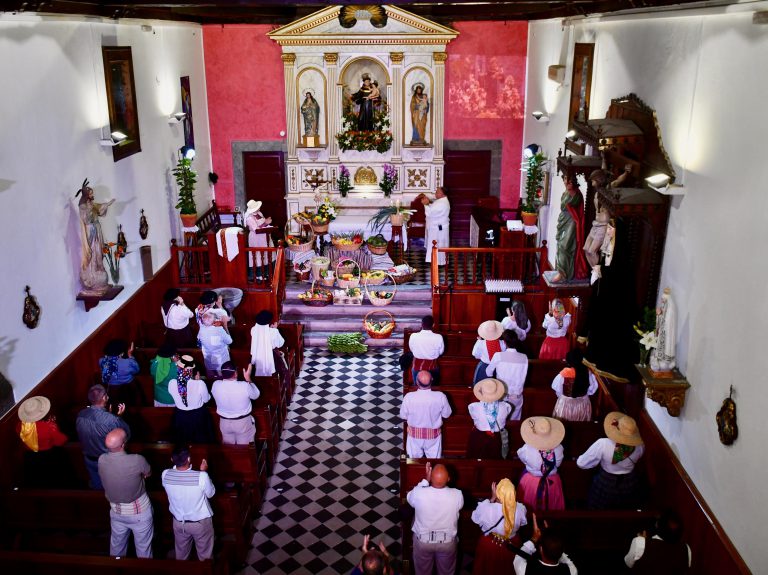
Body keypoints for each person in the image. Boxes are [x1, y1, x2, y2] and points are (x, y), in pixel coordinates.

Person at [98, 428, 153, 558]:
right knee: (143, 549)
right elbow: (148, 473)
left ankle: (116, 568)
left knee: (117, 549)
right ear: (123, 445)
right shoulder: (137, 459)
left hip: (116, 512)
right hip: (139, 513)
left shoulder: (101, 459)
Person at [577, 411, 645, 510]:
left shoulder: (603, 444)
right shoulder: (640, 446)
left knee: (598, 509)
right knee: (624, 510)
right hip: (629, 483)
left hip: (605, 482)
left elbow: (581, 463)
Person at [406, 462, 464, 575]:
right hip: (447, 542)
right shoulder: (457, 495)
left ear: (431, 478)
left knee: (422, 572)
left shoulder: (419, 492)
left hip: (423, 541)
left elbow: (409, 498)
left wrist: (425, 481)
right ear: (448, 479)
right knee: (446, 572)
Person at [162, 447, 216, 561]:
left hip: (178, 523)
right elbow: (211, 493)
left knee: (181, 556)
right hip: (200, 523)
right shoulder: (201, 476)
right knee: (205, 557)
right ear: (189, 459)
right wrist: (203, 472)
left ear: (172, 459)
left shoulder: (165, 474)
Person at [76, 384, 130, 490]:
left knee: (98, 487)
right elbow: (126, 435)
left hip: (89, 459)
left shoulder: (81, 415)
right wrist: (119, 418)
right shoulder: (112, 420)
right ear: (105, 398)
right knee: (114, 487)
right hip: (108, 461)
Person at [471, 478, 528, 575]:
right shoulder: (520, 508)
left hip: (490, 545)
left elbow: (475, 518)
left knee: (487, 569)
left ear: (497, 493)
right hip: (511, 544)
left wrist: (492, 498)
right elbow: (523, 523)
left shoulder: (486, 507)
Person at [16, 395, 70, 487]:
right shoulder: (49, 426)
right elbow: (61, 441)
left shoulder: (19, 426)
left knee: (37, 483)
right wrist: (53, 425)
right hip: (47, 457)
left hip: (30, 458)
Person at [517, 417, 566, 512]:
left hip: (531, 482)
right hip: (552, 482)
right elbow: (558, 464)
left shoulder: (527, 448)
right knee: (552, 508)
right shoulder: (559, 448)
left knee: (527, 505)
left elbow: (521, 457)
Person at [75, 179, 115, 293]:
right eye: (91, 193)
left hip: (97, 230)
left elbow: (99, 208)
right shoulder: (83, 206)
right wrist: (89, 209)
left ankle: (99, 267)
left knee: (99, 251)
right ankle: (92, 273)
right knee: (92, 252)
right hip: (90, 231)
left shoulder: (92, 204)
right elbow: (85, 218)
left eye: (92, 193)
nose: (93, 195)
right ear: (86, 195)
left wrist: (107, 204)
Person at [400, 371, 452, 458]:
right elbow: (446, 414)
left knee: (414, 462)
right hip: (433, 437)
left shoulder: (409, 397)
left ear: (416, 382)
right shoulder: (440, 396)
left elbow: (403, 416)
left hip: (414, 436)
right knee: (434, 462)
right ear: (432, 380)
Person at [624, 509, 691, 573]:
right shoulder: (686, 549)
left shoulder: (639, 542)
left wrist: (643, 542)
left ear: (658, 525)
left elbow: (628, 563)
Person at [169, 355, 215, 444]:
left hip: (180, 416)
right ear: (191, 370)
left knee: (182, 443)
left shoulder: (172, 383)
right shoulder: (200, 384)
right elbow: (206, 399)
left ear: (179, 367)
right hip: (198, 417)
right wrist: (198, 382)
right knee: (199, 443)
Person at [211, 361, 261, 445]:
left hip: (224, 422)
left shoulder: (215, 385)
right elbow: (256, 395)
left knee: (229, 449)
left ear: (222, 374)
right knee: (244, 450)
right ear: (235, 374)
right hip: (242, 423)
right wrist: (248, 378)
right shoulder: (244, 385)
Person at [552, 174, 588, 283]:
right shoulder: (565, 193)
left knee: (565, 245)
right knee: (560, 244)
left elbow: (569, 206)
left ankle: (564, 274)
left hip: (573, 221)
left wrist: (570, 194)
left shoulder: (577, 194)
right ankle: (561, 271)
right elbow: (563, 207)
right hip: (563, 220)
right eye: (565, 179)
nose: (567, 181)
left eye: (569, 179)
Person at [513, 514, 578, 574]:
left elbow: (519, 558)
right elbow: (566, 559)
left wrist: (534, 539)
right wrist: (551, 536)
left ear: (541, 549)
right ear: (561, 551)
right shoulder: (571, 571)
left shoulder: (525, 570)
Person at [486, 330, 529, 420]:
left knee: (500, 419)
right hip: (516, 394)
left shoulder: (498, 356)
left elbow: (488, 372)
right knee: (514, 420)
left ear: (504, 342)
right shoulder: (524, 357)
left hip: (501, 393)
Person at [467, 378, 511, 459]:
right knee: (496, 459)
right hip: (497, 438)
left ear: (481, 392)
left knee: (476, 457)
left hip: (479, 437)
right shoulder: (506, 406)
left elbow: (473, 417)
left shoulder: (474, 407)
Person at [551, 349, 598, 421]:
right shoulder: (588, 372)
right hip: (582, 403)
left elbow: (557, 388)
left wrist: (562, 397)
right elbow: (592, 389)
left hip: (566, 404)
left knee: (563, 424)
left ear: (568, 360)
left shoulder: (564, 373)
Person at [100, 339, 141, 406]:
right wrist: (130, 355)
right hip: (129, 388)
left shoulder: (102, 361)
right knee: (132, 404)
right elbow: (136, 370)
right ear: (122, 353)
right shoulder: (128, 362)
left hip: (112, 389)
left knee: (114, 405)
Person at [408, 315, 444, 386]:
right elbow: (441, 352)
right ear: (433, 325)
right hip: (432, 366)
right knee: (433, 388)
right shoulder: (438, 337)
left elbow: (411, 349)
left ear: (421, 324)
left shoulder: (413, 336)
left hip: (417, 366)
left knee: (417, 388)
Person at [250, 309, 286, 377]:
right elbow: (280, 343)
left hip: (257, 357)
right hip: (272, 356)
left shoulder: (253, 330)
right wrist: (275, 329)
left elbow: (262, 334)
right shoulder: (273, 332)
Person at [198, 310, 233, 379]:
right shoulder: (219, 330)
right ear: (214, 321)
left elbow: (199, 339)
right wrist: (224, 326)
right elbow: (229, 341)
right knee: (222, 375)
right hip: (221, 359)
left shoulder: (201, 330)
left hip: (208, 357)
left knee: (211, 375)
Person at [244, 200, 273, 281]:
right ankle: (258, 275)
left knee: (265, 254)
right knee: (257, 255)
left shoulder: (259, 213)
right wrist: (266, 223)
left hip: (264, 237)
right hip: (256, 238)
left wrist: (266, 221)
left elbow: (263, 222)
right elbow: (256, 229)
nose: (259, 208)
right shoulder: (249, 218)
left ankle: (266, 272)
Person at [649, 287, 676, 373]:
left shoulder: (671, 310)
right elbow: (661, 320)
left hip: (666, 334)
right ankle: (659, 361)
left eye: (663, 299)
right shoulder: (665, 307)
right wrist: (659, 314)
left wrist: (660, 314)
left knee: (666, 347)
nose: (662, 301)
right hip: (662, 333)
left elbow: (667, 323)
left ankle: (664, 362)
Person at [423, 187, 451, 265]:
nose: (435, 193)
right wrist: (428, 203)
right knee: (436, 245)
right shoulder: (441, 201)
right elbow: (433, 207)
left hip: (438, 229)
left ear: (442, 194)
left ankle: (438, 261)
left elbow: (430, 213)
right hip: (437, 228)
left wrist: (426, 204)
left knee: (438, 245)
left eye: (437, 192)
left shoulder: (442, 203)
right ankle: (435, 260)